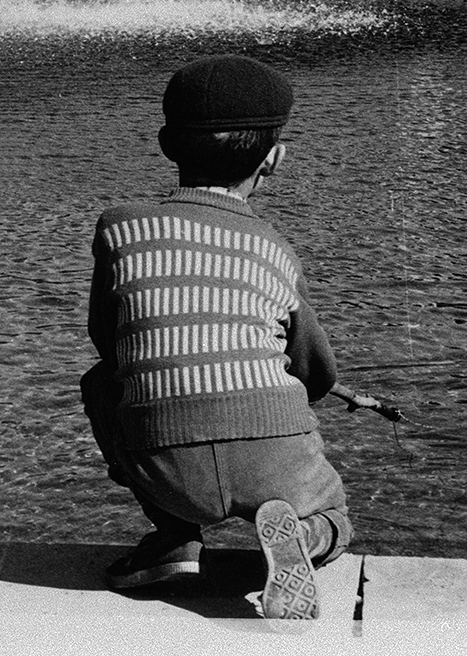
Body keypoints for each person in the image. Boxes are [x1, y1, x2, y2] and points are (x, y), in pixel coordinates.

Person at [82, 54, 349, 620]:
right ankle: (304, 536)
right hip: (272, 453)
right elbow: (314, 372)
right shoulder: (273, 249)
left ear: (165, 143)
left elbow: (106, 342)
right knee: (335, 517)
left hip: (166, 461)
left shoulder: (121, 228)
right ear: (274, 158)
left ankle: (176, 533)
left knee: (101, 383)